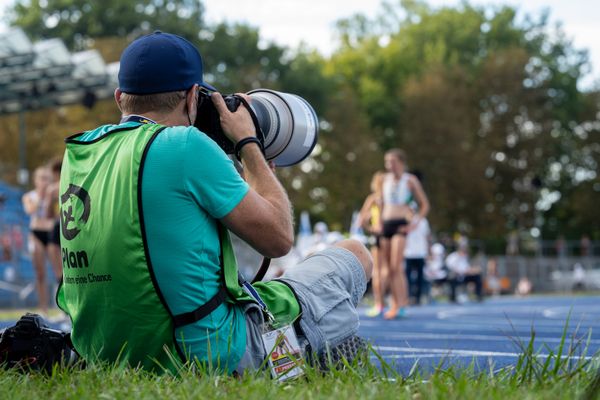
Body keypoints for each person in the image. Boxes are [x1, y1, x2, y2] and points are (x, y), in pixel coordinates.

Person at [55, 31, 372, 375]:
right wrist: (248, 144)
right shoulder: (185, 145)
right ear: (194, 97)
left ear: (120, 98)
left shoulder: (79, 153)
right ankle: (311, 356)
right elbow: (279, 239)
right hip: (205, 356)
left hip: (106, 354)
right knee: (355, 253)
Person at [379, 149, 429, 319]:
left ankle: (402, 304)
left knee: (396, 266)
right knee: (387, 268)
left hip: (401, 225)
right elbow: (381, 203)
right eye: (387, 162)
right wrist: (378, 222)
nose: (389, 165)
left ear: (401, 162)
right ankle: (394, 304)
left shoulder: (410, 180)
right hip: (386, 225)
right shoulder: (384, 180)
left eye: (392, 161)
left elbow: (424, 205)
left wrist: (413, 224)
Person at [21, 166, 54, 314]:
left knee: (59, 271)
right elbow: (30, 210)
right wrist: (42, 197)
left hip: (51, 233)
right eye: (41, 179)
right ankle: (44, 307)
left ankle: (64, 308)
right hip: (36, 234)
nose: (44, 182)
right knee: (40, 274)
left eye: (47, 178)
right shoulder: (29, 196)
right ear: (36, 181)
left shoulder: (53, 194)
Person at [357, 171, 386, 317]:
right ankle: (387, 303)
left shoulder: (375, 198)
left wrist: (372, 229)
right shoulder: (384, 198)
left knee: (380, 271)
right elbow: (362, 219)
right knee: (389, 270)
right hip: (387, 235)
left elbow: (361, 219)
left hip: (380, 235)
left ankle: (380, 304)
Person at [445, 238, 483, 303]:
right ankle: (453, 297)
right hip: (456, 277)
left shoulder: (465, 257)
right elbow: (452, 268)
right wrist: (465, 271)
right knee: (452, 278)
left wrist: (474, 270)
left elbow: (467, 268)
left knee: (477, 276)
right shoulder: (452, 257)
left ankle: (478, 295)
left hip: (464, 276)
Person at [44, 158, 63, 285]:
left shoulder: (52, 189)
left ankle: (60, 281)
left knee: (56, 260)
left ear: (56, 172)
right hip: (70, 224)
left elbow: (47, 214)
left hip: (59, 224)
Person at [404, 217, 431, 305]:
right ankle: (407, 297)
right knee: (407, 278)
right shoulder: (405, 219)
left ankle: (418, 298)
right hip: (408, 253)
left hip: (420, 253)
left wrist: (428, 252)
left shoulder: (423, 221)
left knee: (420, 277)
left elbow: (427, 236)